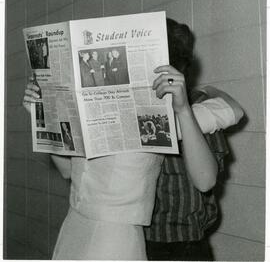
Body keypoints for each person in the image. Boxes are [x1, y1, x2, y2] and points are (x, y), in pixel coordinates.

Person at [22, 18, 243, 260]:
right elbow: (67, 170)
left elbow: (206, 179)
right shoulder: (91, 106)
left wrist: (185, 107)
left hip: (115, 240)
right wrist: (40, 114)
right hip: (75, 225)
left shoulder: (162, 114)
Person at [145, 19, 243, 261]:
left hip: (186, 246)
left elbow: (206, 181)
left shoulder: (200, 109)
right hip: (138, 241)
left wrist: (186, 109)